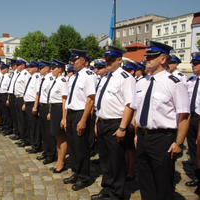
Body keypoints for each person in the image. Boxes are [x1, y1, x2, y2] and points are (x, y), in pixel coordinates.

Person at [132, 41, 189, 200]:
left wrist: (178, 142)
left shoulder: (173, 83)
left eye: (151, 57)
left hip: (162, 138)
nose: (146, 59)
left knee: (163, 181)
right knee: (145, 178)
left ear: (163, 59)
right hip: (143, 136)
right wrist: (137, 134)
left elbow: (184, 115)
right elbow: (139, 110)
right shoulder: (142, 82)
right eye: (147, 56)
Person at [91, 46, 136, 200]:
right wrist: (97, 120)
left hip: (116, 123)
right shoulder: (105, 78)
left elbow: (129, 105)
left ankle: (118, 193)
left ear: (119, 60)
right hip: (102, 122)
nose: (108, 62)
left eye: (111, 59)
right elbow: (101, 101)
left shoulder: (125, 78)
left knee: (116, 161)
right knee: (104, 159)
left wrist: (123, 127)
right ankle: (106, 189)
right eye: (106, 59)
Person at [63, 49, 96, 191]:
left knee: (81, 147)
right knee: (73, 146)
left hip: (81, 113)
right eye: (71, 60)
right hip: (71, 113)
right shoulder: (72, 77)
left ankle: (84, 177)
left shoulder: (89, 75)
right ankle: (76, 172)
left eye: (74, 60)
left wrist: (83, 120)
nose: (72, 62)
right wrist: (65, 117)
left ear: (83, 60)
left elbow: (90, 99)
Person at [33, 59, 56, 164]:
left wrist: (50, 111)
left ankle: (51, 154)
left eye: (42, 67)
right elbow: (39, 93)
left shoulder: (51, 79)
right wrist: (37, 107)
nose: (40, 69)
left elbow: (52, 96)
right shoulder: (42, 79)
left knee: (48, 132)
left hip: (47, 106)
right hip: (42, 106)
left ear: (47, 68)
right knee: (43, 131)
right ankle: (45, 151)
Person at [47, 58, 68, 173]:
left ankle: (62, 162)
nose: (51, 70)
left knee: (61, 137)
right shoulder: (56, 81)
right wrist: (50, 111)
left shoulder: (62, 81)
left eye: (54, 68)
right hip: (55, 108)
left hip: (60, 109)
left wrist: (64, 118)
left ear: (60, 69)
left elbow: (64, 99)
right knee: (57, 137)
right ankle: (59, 161)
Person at [186, 52, 200, 187]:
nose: (193, 66)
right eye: (192, 63)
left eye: (196, 64)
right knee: (193, 148)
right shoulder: (191, 81)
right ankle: (197, 175)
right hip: (191, 117)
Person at [23, 60, 42, 153]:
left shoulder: (37, 77)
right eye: (28, 67)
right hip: (28, 103)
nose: (29, 68)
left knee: (35, 126)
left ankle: (36, 145)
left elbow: (37, 93)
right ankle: (33, 143)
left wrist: (35, 106)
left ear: (36, 68)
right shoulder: (31, 77)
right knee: (30, 125)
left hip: (33, 104)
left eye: (31, 67)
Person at [14, 57, 31, 147]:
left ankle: (26, 139)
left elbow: (26, 89)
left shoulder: (25, 74)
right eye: (16, 64)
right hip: (18, 98)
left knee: (23, 120)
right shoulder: (19, 74)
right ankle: (22, 137)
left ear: (23, 65)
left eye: (18, 64)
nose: (16, 66)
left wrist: (24, 102)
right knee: (19, 119)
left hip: (22, 98)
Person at [0, 63, 13, 136]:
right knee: (3, 112)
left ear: (6, 69)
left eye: (2, 69)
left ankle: (8, 128)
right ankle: (4, 126)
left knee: (7, 113)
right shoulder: (3, 77)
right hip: (1, 95)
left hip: (5, 95)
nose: (1, 70)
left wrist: (7, 98)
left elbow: (8, 89)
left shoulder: (7, 77)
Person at [6, 59, 19, 140]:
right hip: (11, 95)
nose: (11, 67)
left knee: (16, 116)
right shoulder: (14, 74)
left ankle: (18, 132)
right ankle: (16, 131)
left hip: (15, 95)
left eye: (13, 65)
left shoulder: (18, 74)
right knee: (13, 115)